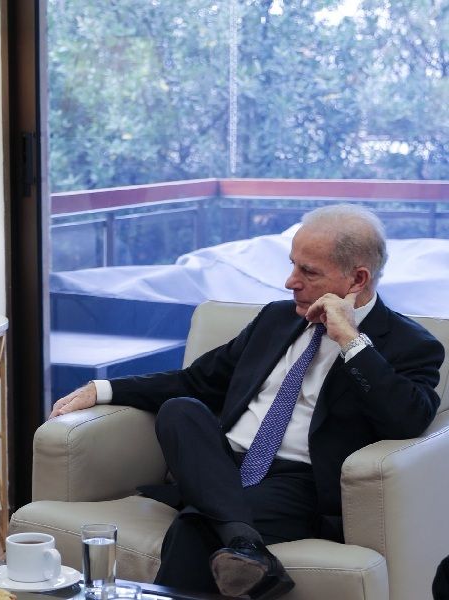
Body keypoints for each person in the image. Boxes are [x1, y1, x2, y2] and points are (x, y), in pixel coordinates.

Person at [49, 204, 444, 599]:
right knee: (181, 410)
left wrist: (350, 341)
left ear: (358, 278)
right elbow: (197, 381)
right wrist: (104, 389)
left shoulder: (410, 344)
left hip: (298, 482)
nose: (290, 282)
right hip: (218, 464)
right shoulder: (276, 319)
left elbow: (407, 420)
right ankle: (246, 546)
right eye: (293, 265)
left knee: (193, 527)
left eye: (308, 272)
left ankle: (239, 540)